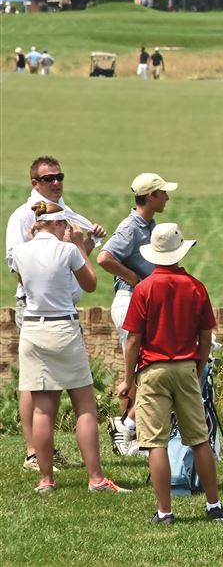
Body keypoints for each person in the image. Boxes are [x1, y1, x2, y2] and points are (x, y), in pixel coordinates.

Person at [11, 201, 128, 495]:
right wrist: (78, 245)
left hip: (33, 329)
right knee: (84, 404)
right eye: (64, 224)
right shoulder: (66, 250)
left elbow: (24, 281)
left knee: (42, 407)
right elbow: (89, 283)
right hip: (62, 326)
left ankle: (46, 479)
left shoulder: (20, 252)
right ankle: (96, 478)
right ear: (57, 223)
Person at [117, 223, 223, 523]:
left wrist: (129, 380)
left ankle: (165, 511)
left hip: (153, 370)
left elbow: (133, 340)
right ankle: (214, 506)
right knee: (199, 439)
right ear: (179, 253)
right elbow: (205, 335)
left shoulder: (144, 288)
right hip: (186, 367)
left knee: (156, 442)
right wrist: (198, 368)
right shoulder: (195, 286)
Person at [7, 156, 105, 472]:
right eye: (48, 178)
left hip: (58, 306)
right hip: (39, 307)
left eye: (59, 176)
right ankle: (34, 452)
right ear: (34, 183)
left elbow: (69, 262)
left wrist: (86, 243)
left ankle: (44, 464)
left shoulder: (64, 212)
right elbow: (21, 266)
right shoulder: (23, 216)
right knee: (37, 387)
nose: (56, 182)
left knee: (43, 392)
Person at [98, 171, 178, 454]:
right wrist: (133, 277)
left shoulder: (147, 223)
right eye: (163, 193)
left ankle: (131, 432)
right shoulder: (132, 227)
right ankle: (125, 432)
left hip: (138, 300)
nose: (167, 196)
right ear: (152, 196)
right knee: (136, 364)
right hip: (130, 299)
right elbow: (104, 257)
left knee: (139, 364)